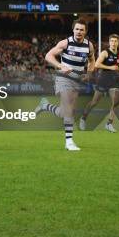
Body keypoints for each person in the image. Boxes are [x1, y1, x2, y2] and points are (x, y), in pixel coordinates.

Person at [35, 19, 95, 151]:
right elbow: (48, 56)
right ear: (73, 30)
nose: (79, 32)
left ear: (86, 32)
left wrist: (89, 73)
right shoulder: (65, 43)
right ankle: (69, 141)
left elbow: (92, 60)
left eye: (82, 30)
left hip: (77, 80)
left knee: (64, 112)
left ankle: (45, 105)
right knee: (69, 109)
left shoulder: (89, 46)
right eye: (77, 29)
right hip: (63, 78)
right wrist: (60, 65)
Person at [79, 34, 119, 133]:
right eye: (112, 41)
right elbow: (97, 64)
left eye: (115, 41)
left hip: (114, 81)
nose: (113, 43)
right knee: (94, 102)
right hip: (103, 80)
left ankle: (109, 124)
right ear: (109, 42)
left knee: (115, 102)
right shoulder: (105, 53)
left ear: (118, 42)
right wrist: (111, 67)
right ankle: (83, 118)